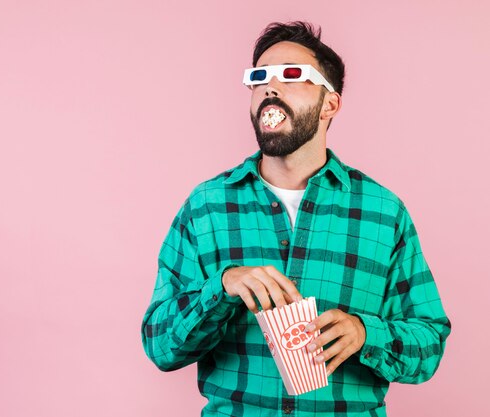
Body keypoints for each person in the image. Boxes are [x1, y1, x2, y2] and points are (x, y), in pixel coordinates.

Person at [141, 21, 450, 417]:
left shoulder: (383, 212)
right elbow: (159, 344)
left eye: (291, 76)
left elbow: (430, 342)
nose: (271, 88)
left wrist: (364, 333)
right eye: (259, 78)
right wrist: (220, 289)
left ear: (329, 104)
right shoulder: (206, 207)